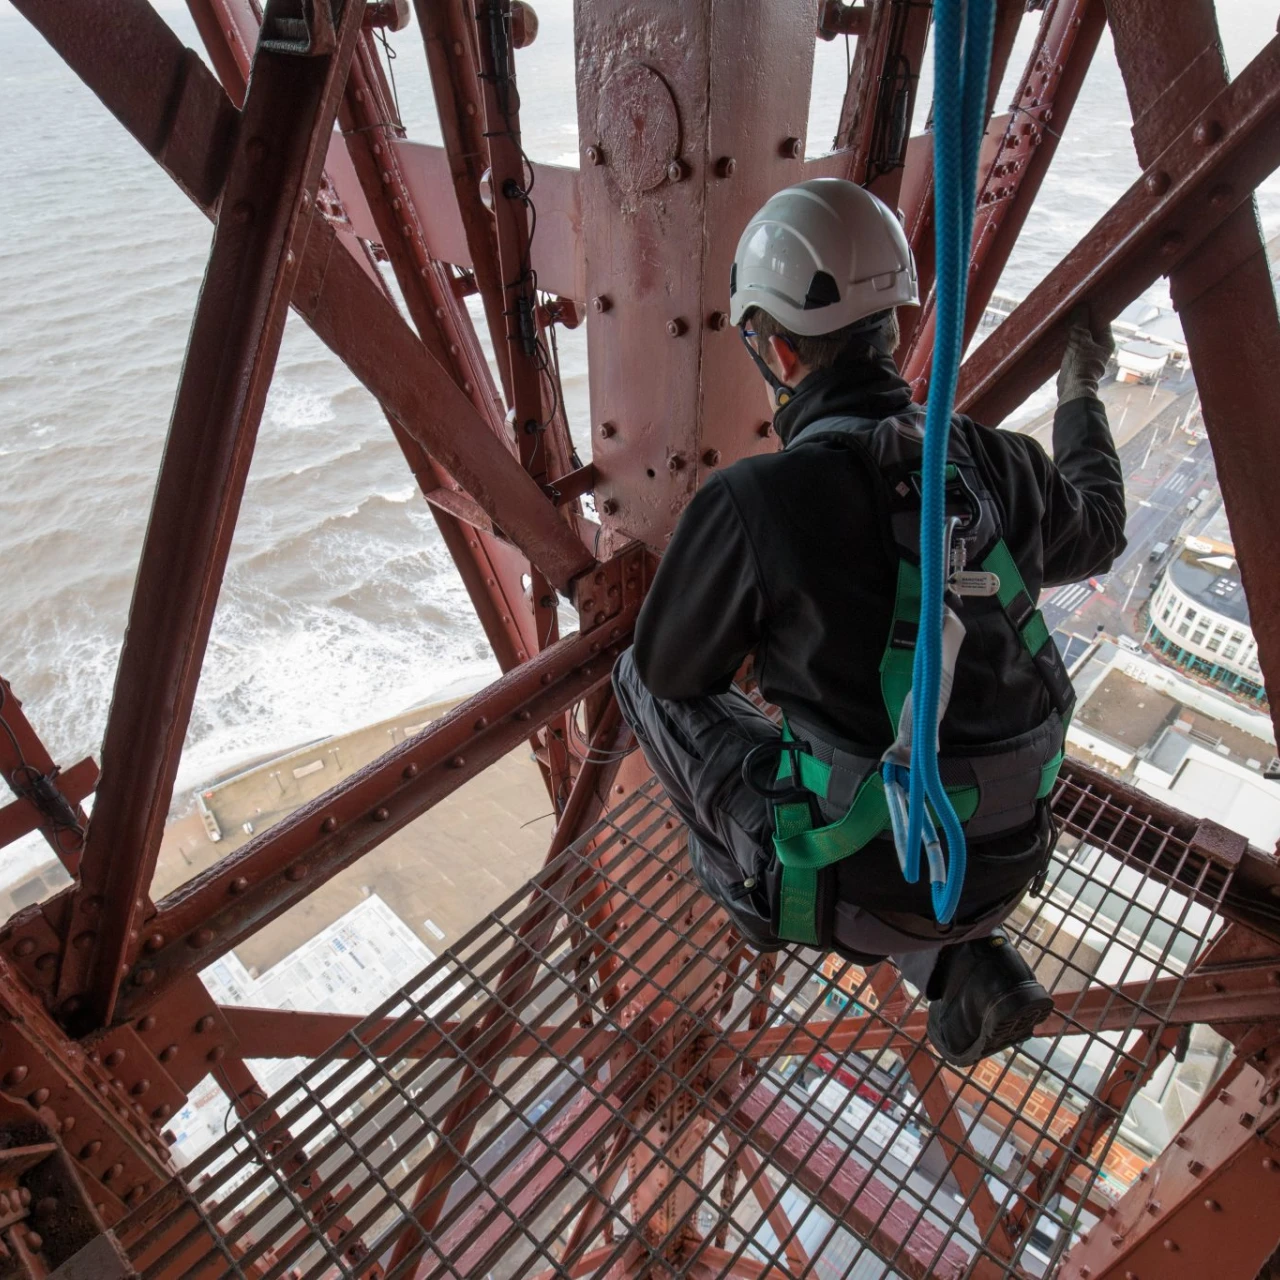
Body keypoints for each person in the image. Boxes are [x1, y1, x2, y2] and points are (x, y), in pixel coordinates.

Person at [611, 178, 1125, 1067]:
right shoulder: (997, 463)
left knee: (636, 682)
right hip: (1010, 853)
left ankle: (754, 888)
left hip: (848, 886)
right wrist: (1082, 390)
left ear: (776, 351)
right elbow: (1103, 526)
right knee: (881, 756)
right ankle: (958, 958)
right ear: (894, 326)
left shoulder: (753, 500)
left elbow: (668, 671)